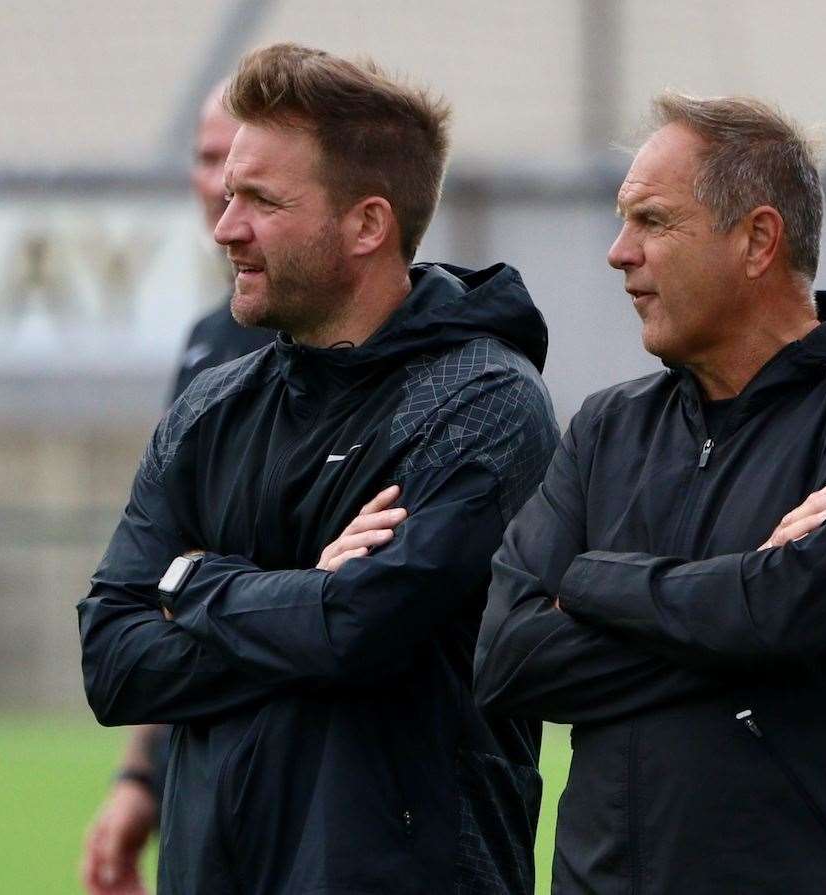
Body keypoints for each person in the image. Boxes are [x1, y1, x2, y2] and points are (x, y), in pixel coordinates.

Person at [472, 95, 826, 893]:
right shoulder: (607, 427)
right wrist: (740, 603)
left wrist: (592, 579)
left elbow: (783, 610)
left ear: (758, 239)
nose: (619, 253)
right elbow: (504, 662)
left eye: (653, 221)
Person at [78, 43, 559, 895]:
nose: (226, 227)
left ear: (367, 224)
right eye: (229, 195)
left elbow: (361, 631)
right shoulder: (212, 406)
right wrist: (302, 590)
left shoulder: (482, 405)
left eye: (260, 200)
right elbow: (113, 659)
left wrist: (190, 584)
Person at [80, 82, 273, 895]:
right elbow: (160, 578)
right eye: (202, 159)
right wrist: (141, 778)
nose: (216, 184)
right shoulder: (208, 345)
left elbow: (355, 601)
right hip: (205, 762)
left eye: (235, 163)